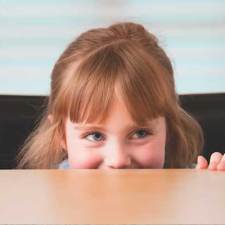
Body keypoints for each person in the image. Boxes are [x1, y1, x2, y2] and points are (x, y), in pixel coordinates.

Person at [17, 22, 225, 170]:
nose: (117, 161)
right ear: (62, 135)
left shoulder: (189, 187)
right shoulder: (48, 196)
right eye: (95, 135)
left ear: (168, 128)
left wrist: (210, 196)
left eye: (140, 133)